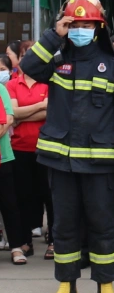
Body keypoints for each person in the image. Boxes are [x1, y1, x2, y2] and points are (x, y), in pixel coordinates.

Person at [21, 0, 114, 293]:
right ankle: (66, 284)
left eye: (87, 24)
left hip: (100, 163)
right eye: (75, 24)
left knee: (103, 223)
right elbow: (28, 66)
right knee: (64, 224)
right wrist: (53, 34)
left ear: (99, 28)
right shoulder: (56, 60)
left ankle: (106, 285)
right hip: (61, 161)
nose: (80, 29)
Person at [6, 56, 52, 259]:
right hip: (19, 149)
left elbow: (52, 111)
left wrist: (21, 115)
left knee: (50, 196)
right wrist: (40, 106)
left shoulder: (50, 82)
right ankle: (25, 241)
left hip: (47, 148)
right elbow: (12, 113)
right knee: (23, 196)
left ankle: (54, 241)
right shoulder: (12, 84)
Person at [0, 55, 27, 264]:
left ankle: (16, 246)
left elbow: (8, 120)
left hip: (3, 157)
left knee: (9, 203)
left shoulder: (1, 90)